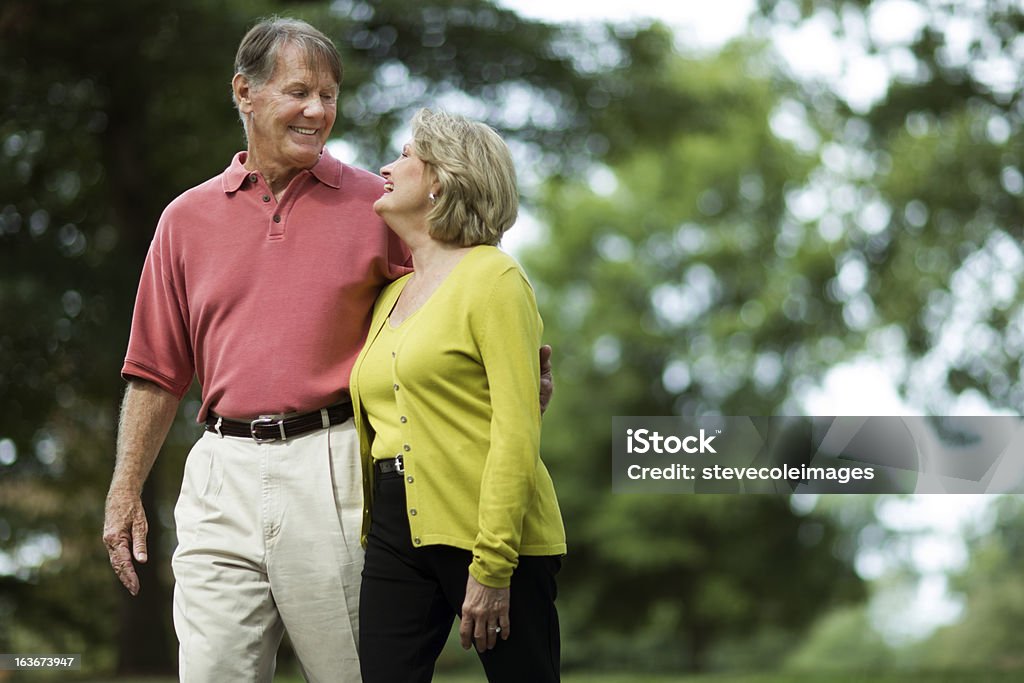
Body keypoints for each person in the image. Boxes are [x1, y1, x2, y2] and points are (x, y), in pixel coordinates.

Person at [350, 109, 566, 683]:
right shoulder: (390, 294)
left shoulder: (494, 279)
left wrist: (493, 565)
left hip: (492, 532)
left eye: (403, 156)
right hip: (396, 532)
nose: (385, 168)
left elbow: (517, 431)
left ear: (441, 179)